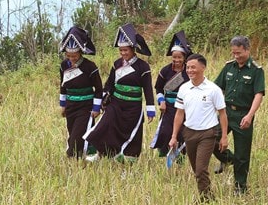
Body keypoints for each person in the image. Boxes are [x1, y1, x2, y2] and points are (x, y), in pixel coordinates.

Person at [84, 23, 156, 162]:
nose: (123, 53)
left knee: (130, 134)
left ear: (133, 49)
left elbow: (147, 89)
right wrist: (103, 100)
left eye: (125, 50)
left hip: (133, 107)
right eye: (121, 50)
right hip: (116, 104)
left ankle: (127, 160)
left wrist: (150, 110)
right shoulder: (117, 64)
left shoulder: (143, 67)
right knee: (104, 126)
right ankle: (101, 154)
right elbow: (110, 84)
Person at [169, 54, 228, 202]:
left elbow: (222, 114)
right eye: (188, 67)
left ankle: (205, 199)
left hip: (207, 133)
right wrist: (174, 136)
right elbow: (179, 114)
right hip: (189, 132)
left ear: (203, 67)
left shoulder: (213, 89)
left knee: (201, 169)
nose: (190, 70)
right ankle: (208, 195)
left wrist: (224, 136)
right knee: (196, 170)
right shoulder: (183, 88)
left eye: (193, 67)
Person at [212, 36, 265, 194]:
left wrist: (249, 115)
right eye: (234, 53)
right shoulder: (229, 67)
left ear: (248, 50)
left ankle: (240, 186)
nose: (236, 56)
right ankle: (227, 159)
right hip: (226, 112)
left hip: (243, 113)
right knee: (211, 138)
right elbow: (217, 89)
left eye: (239, 53)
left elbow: (259, 94)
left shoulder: (256, 70)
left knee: (242, 153)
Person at [58, 26, 103, 159]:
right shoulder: (63, 66)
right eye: (68, 55)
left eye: (74, 55)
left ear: (81, 52)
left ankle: (72, 156)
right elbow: (63, 86)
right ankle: (83, 157)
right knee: (72, 132)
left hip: (86, 107)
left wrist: (96, 108)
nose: (71, 58)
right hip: (71, 106)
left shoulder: (90, 67)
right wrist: (63, 105)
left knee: (78, 135)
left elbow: (98, 89)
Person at [150, 30, 192, 157]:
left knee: (181, 133)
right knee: (165, 132)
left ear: (184, 57)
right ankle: (165, 153)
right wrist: (161, 101)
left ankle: (180, 158)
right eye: (174, 57)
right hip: (168, 107)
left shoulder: (189, 72)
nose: (176, 60)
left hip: (184, 108)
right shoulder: (165, 71)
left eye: (179, 57)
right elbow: (158, 88)